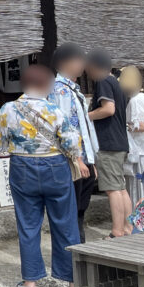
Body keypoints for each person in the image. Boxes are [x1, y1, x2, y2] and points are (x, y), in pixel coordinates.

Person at [0, 64, 81, 287]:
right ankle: (73, 281)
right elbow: (72, 143)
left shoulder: (7, 109)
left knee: (28, 224)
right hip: (55, 167)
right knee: (65, 222)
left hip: (22, 166)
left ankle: (30, 281)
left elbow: (1, 144)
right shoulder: (54, 110)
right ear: (47, 84)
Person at [49, 43, 99, 242]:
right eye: (79, 60)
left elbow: (85, 128)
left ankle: (80, 250)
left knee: (80, 208)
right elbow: (63, 128)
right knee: (71, 208)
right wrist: (77, 159)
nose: (82, 64)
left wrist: (91, 161)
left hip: (84, 158)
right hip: (71, 159)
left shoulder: (73, 89)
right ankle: (71, 255)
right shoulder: (58, 90)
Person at [86, 50, 131, 238]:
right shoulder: (116, 82)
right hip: (120, 141)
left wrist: (85, 116)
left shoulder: (103, 81)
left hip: (108, 143)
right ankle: (128, 227)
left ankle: (117, 231)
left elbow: (108, 109)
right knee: (120, 187)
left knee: (113, 190)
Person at [120, 65, 144, 206]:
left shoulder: (136, 99)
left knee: (140, 183)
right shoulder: (142, 97)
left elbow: (141, 126)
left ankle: (141, 215)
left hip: (141, 149)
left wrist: (125, 126)